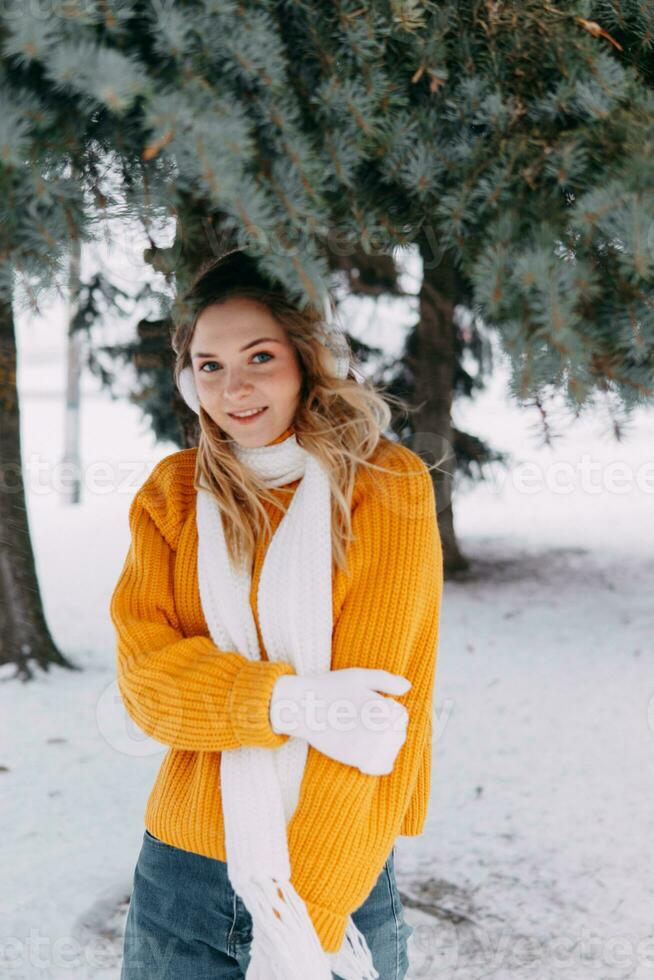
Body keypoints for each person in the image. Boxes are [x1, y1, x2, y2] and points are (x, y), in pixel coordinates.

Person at [111, 247, 444, 980]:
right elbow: (147, 687)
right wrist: (292, 701)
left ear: (307, 359)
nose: (235, 388)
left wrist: (307, 925)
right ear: (187, 378)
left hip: (339, 867)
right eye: (210, 365)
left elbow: (378, 720)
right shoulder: (171, 495)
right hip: (183, 876)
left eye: (259, 356)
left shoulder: (385, 486)